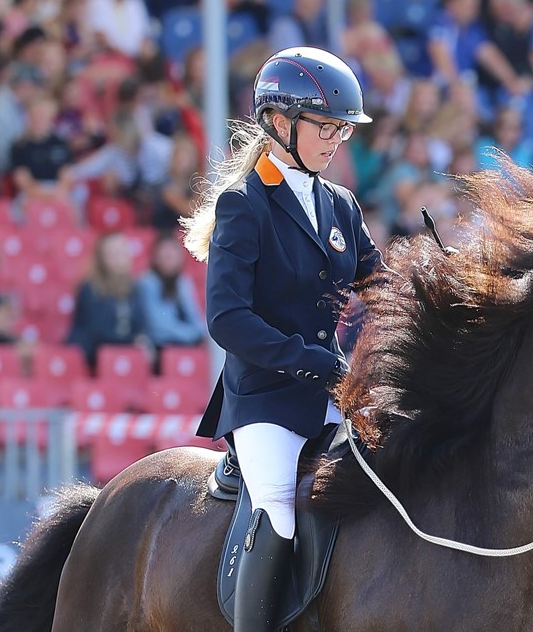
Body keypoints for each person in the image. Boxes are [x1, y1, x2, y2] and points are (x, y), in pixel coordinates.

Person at [182, 46, 381, 631]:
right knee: (278, 509)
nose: (335, 139)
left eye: (341, 129)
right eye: (325, 127)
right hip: (266, 397)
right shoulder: (244, 205)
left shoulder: (339, 204)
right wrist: (311, 362)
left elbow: (382, 283)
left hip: (331, 391)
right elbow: (227, 319)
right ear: (278, 122)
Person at [67, 231, 151, 369]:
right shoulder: (90, 289)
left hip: (124, 357)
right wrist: (131, 343)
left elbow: (141, 324)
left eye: (122, 251)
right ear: (102, 259)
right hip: (95, 360)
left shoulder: (134, 288)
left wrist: (142, 341)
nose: (118, 258)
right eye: (112, 253)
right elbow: (98, 331)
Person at [136, 233, 206, 352]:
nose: (169, 257)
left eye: (173, 253)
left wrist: (200, 333)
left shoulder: (183, 281)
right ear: (155, 257)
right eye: (165, 253)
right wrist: (193, 335)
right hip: (157, 344)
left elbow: (195, 318)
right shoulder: (147, 282)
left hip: (185, 340)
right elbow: (158, 327)